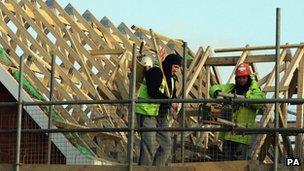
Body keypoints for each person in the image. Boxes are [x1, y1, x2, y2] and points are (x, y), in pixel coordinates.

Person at [209, 63, 266, 161]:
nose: (241, 80)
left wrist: (245, 99)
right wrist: (217, 92)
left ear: (248, 77)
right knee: (227, 164)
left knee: (240, 164)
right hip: (228, 134)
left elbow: (259, 101)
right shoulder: (231, 88)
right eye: (239, 78)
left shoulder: (254, 91)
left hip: (242, 136)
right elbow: (214, 87)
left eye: (244, 77)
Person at [135, 53, 182, 166]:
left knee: (166, 146)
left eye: (178, 68)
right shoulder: (155, 72)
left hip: (161, 114)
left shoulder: (171, 79)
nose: (177, 70)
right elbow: (153, 92)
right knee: (149, 146)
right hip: (147, 112)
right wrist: (170, 101)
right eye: (175, 67)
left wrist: (175, 103)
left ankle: (157, 168)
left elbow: (172, 95)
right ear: (169, 64)